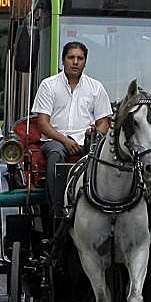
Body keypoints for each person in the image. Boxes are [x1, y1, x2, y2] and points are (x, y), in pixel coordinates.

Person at [32, 41, 112, 218]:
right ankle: (57, 211)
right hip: (55, 141)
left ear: (85, 62)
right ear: (63, 60)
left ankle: (102, 207)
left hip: (87, 141)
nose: (75, 62)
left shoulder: (96, 87)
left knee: (105, 157)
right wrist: (65, 140)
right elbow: (43, 123)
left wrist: (96, 133)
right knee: (56, 154)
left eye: (80, 58)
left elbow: (104, 122)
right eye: (71, 57)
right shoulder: (48, 85)